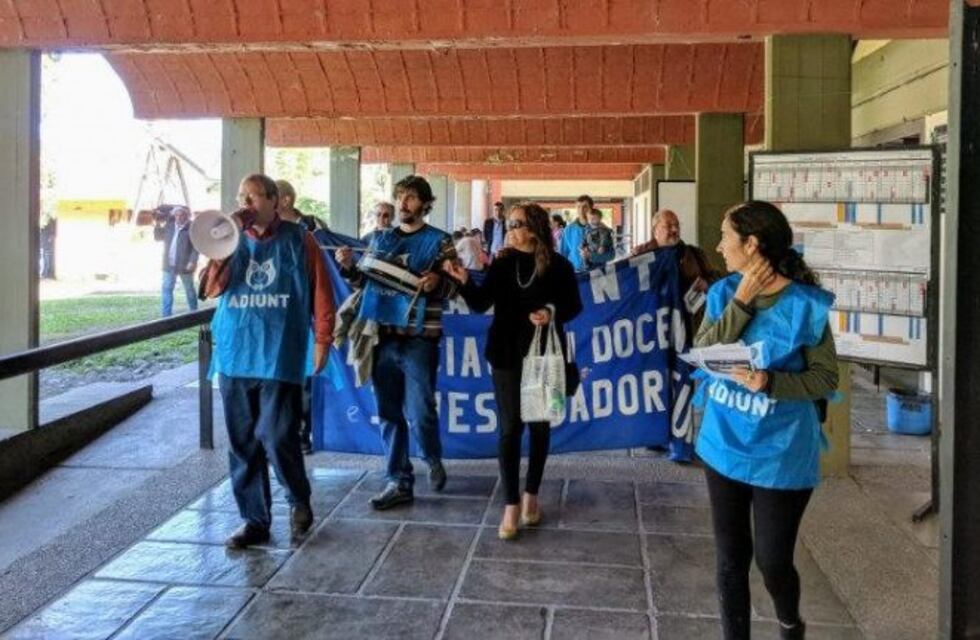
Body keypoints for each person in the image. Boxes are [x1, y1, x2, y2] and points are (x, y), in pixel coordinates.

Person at [694, 200, 839, 640]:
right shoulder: (723, 293)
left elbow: (825, 377)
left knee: (773, 560)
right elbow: (703, 353)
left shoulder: (805, 305)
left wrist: (770, 383)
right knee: (730, 558)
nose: (719, 246)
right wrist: (740, 300)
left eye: (726, 237)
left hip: (781, 452)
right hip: (724, 443)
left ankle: (790, 623)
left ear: (751, 243)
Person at [200, 174, 336, 548]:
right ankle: (255, 520)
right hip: (235, 354)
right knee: (242, 442)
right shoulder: (229, 241)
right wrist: (220, 247)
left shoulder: (299, 240)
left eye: (255, 196)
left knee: (278, 437)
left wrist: (323, 338)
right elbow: (211, 289)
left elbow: (321, 290)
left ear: (275, 201)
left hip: (280, 355)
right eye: (241, 196)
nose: (246, 203)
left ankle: (298, 499)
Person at [444, 202, 582, 540]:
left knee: (538, 424)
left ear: (534, 228)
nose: (510, 229)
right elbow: (480, 303)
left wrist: (550, 312)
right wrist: (464, 281)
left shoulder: (559, 266)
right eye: (508, 223)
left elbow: (574, 306)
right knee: (509, 427)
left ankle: (531, 494)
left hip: (544, 355)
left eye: (517, 223)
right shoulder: (503, 263)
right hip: (505, 352)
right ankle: (510, 504)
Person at [335, 175, 459, 510]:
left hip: (420, 339)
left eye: (411, 197)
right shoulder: (380, 239)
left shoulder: (441, 242)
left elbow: (457, 287)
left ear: (425, 204)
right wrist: (348, 267)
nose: (404, 203)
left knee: (420, 412)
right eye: (400, 196)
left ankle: (432, 457)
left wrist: (438, 282)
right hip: (383, 336)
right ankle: (398, 480)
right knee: (388, 413)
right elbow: (365, 282)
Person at [631, 208, 720, 333]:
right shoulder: (640, 257)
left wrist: (706, 284)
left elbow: (716, 279)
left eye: (677, 225)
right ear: (655, 230)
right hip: (654, 329)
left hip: (690, 326)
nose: (675, 230)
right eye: (668, 226)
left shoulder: (695, 254)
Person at [153, 205, 199, 316]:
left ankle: (195, 313)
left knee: (189, 290)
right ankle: (166, 316)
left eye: (182, 215)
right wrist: (157, 224)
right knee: (167, 289)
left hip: (185, 264)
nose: (179, 217)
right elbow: (158, 237)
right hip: (169, 264)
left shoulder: (192, 227)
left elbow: (196, 247)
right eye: (177, 215)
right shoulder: (169, 226)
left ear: (187, 216)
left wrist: (192, 261)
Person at [558, 195, 591, 271]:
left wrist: (593, 256)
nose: (581, 210)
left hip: (596, 274)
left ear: (591, 208)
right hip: (575, 274)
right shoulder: (568, 230)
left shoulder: (600, 229)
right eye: (578, 207)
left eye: (585, 207)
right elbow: (562, 255)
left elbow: (610, 255)